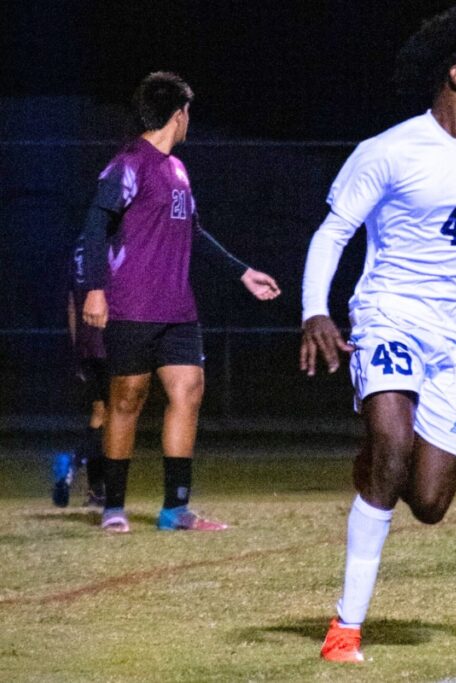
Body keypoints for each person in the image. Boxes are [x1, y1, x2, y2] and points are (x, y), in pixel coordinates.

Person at [300, 5, 456, 664]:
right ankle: (345, 628)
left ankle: (379, 463)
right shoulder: (389, 150)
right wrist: (315, 310)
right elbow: (333, 232)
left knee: (430, 501)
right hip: (391, 317)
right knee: (392, 443)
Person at [76, 71, 281, 534]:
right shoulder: (129, 163)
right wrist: (95, 288)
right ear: (179, 114)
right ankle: (113, 507)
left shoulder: (178, 169)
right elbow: (95, 225)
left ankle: (175, 509)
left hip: (178, 310)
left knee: (189, 391)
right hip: (131, 305)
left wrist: (242, 272)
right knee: (126, 400)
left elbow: (193, 231)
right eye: (188, 112)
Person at [52, 256, 108, 509]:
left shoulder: (80, 249)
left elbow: (71, 306)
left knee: (100, 414)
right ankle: (74, 463)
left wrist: (78, 352)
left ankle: (96, 492)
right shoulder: (110, 246)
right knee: (114, 416)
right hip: (110, 340)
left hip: (86, 344)